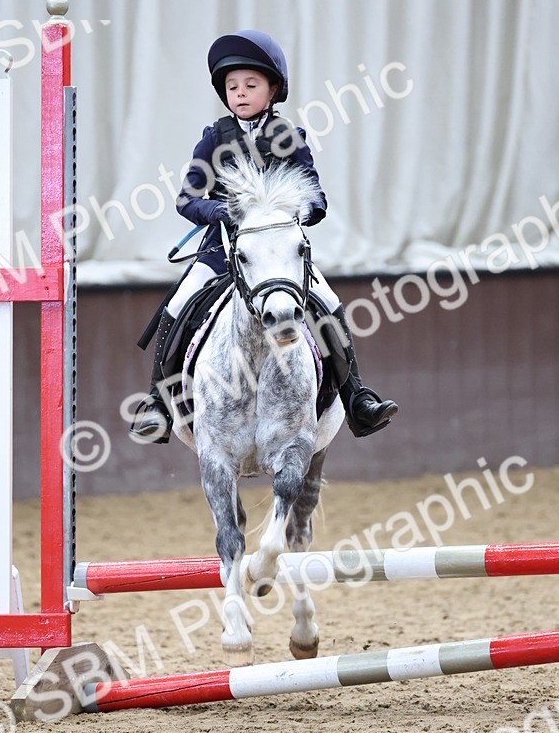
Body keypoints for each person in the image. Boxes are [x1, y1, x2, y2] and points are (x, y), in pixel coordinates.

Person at [129, 29, 398, 444]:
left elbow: (316, 196)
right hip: (224, 250)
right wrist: (217, 210)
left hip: (278, 253)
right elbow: (187, 199)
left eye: (250, 85)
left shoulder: (288, 137)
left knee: (328, 302)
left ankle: (357, 396)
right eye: (232, 86)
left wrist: (299, 211)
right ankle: (158, 405)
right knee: (179, 303)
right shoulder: (214, 138)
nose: (239, 93)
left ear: (272, 90)